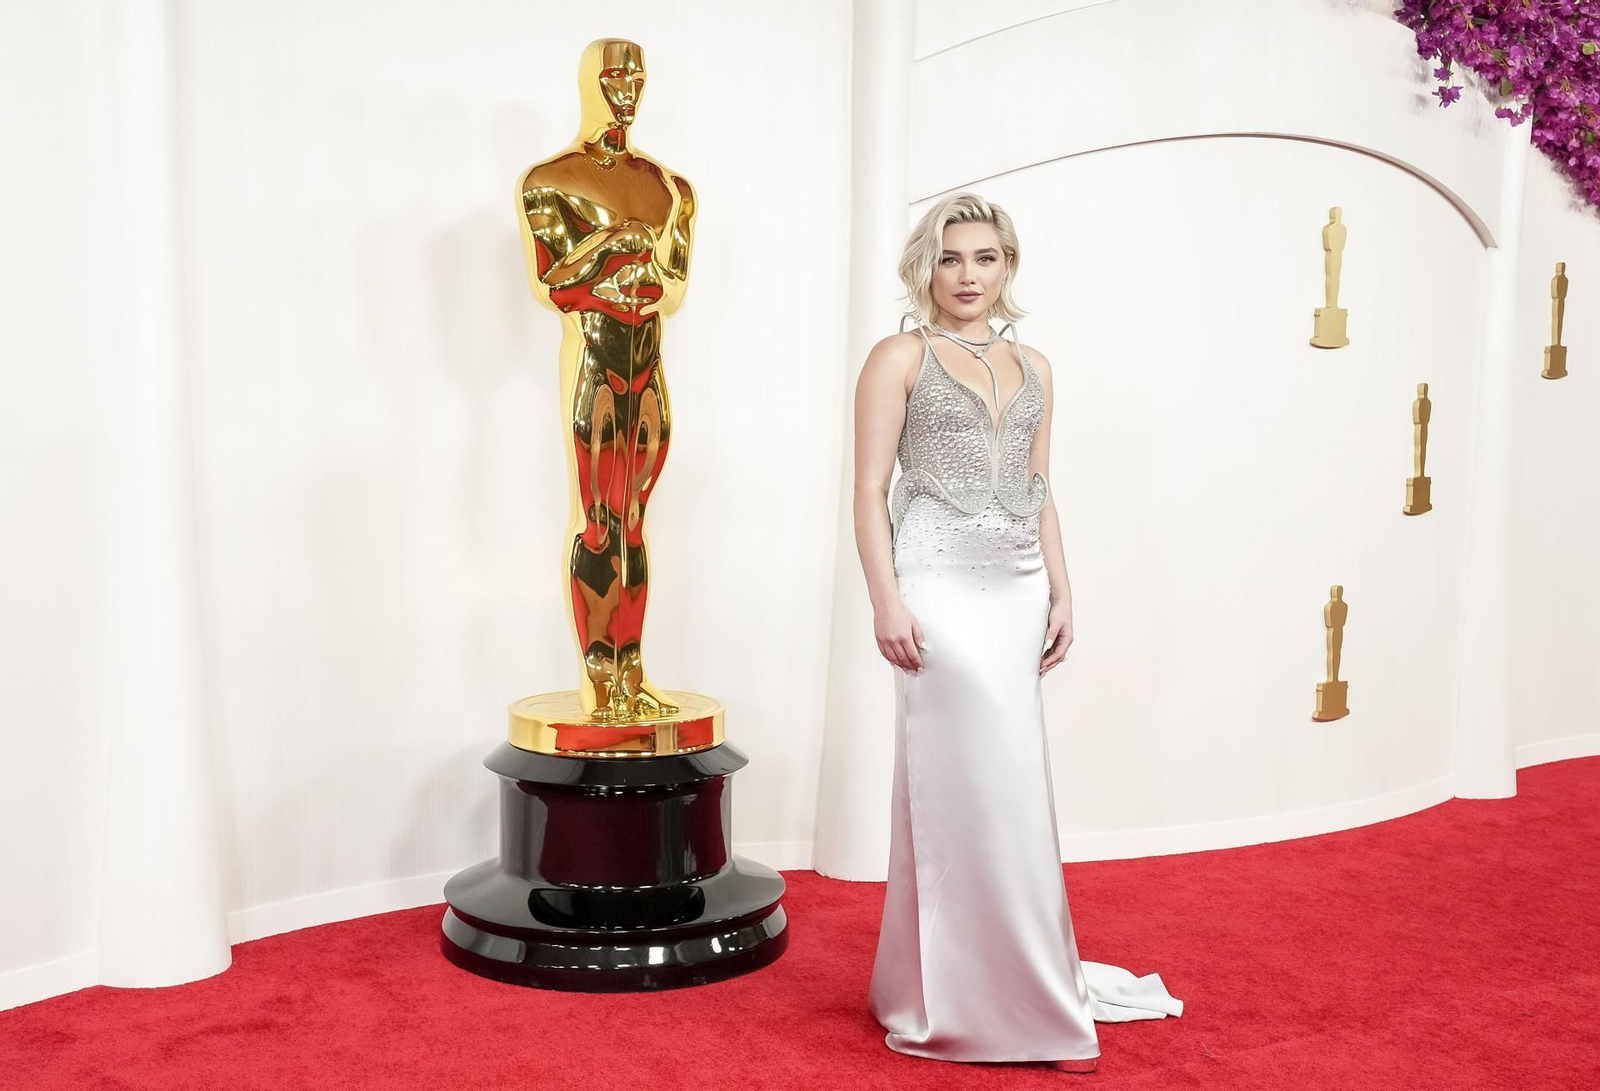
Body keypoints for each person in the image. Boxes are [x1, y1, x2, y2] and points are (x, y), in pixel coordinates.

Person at [853, 192, 1183, 1069]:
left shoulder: (1036, 365)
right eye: (953, 258)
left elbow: (1041, 491)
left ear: (1009, 266)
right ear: (927, 265)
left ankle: (954, 979)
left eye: (987, 258)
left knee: (1003, 782)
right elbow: (867, 493)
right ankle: (996, 1000)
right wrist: (885, 599)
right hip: (936, 584)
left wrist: (1064, 591)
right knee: (975, 781)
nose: (969, 275)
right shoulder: (899, 357)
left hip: (1017, 586)